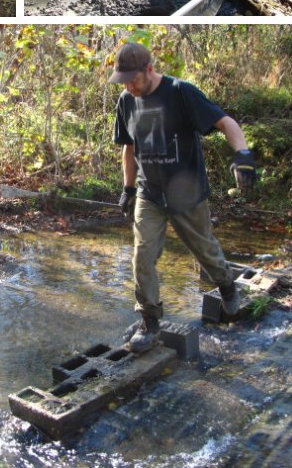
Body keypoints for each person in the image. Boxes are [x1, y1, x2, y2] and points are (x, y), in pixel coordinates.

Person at [110, 42, 256, 353]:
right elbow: (129, 148)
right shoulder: (126, 101)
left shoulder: (180, 92)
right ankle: (149, 320)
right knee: (142, 256)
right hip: (150, 194)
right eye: (123, 81)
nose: (128, 86)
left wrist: (243, 154)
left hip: (187, 194)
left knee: (204, 248)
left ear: (149, 69)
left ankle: (227, 286)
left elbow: (225, 122)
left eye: (132, 79)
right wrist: (128, 188)